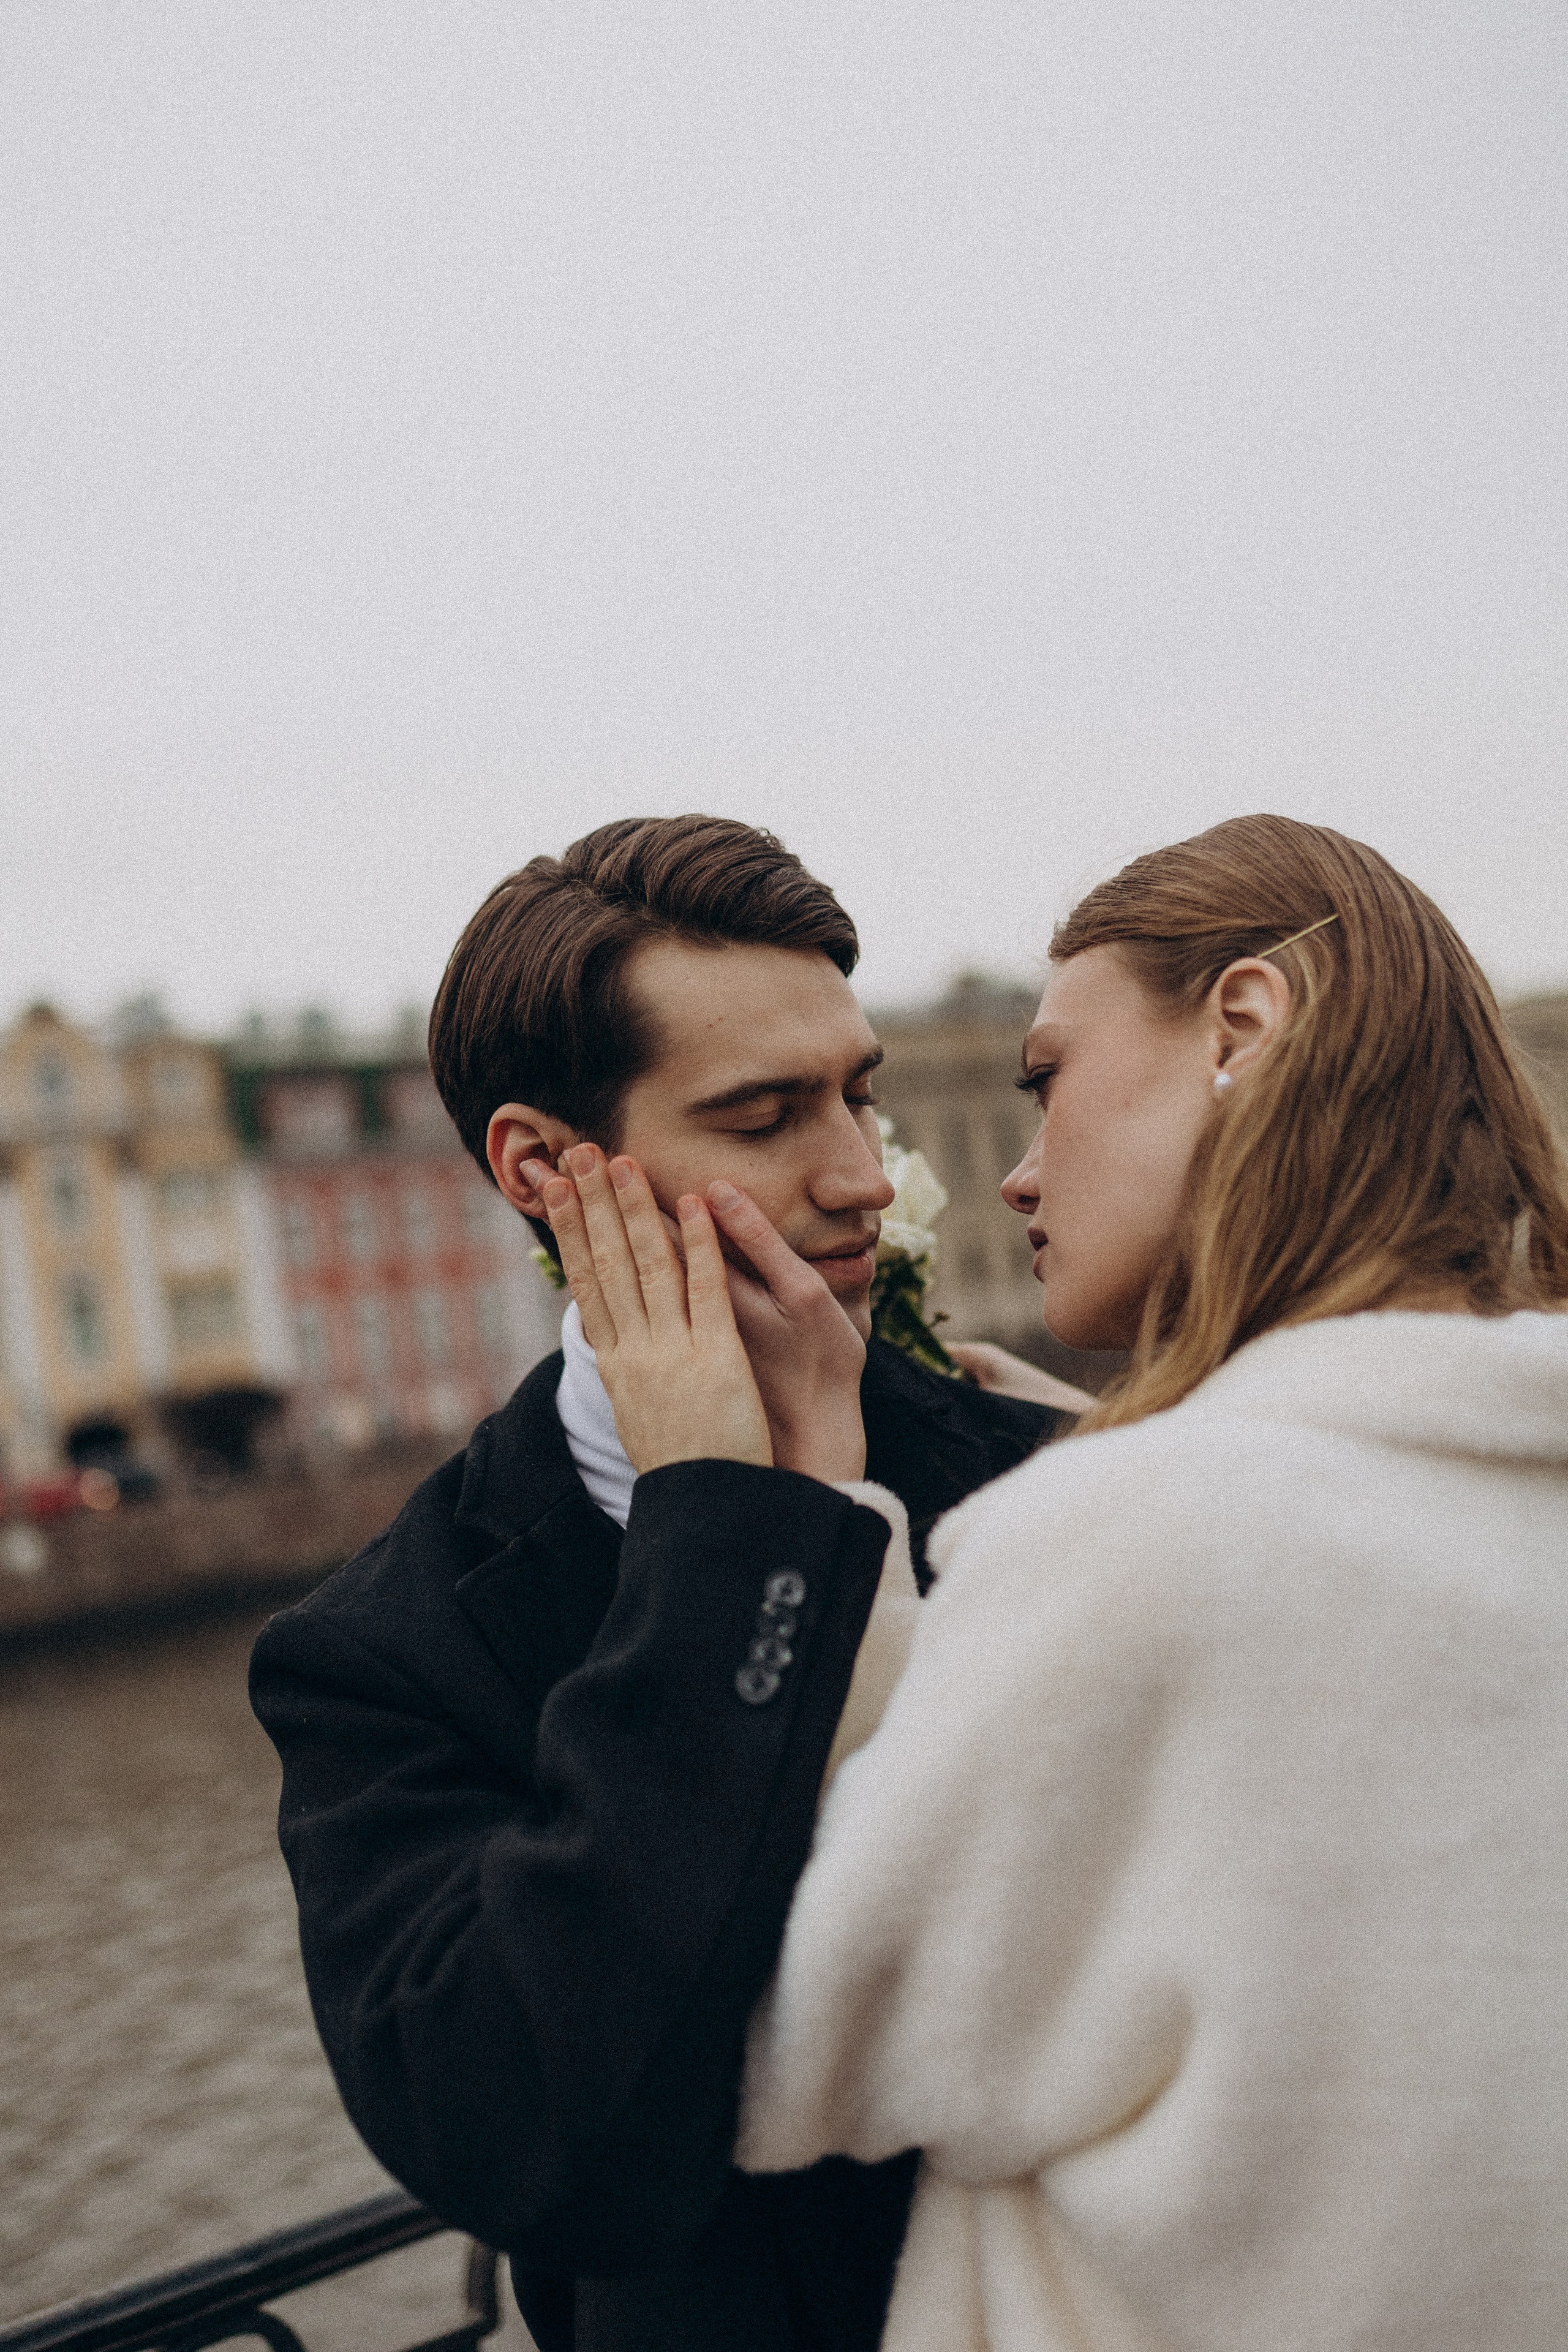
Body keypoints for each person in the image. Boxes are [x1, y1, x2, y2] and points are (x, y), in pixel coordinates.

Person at [543, 816, 1568, 2352]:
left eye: (1047, 1078)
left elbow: (786, 2036)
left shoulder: (1134, 1534)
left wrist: (756, 1516)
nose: (1012, 1176)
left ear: (1242, 1023)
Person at [249, 815, 1063, 2352]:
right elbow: (535, 2149)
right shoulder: (380, 1653)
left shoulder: (1040, 1478)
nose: (861, 1180)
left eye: (856, 1096)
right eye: (762, 1116)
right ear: (546, 1170)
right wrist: (728, 1528)